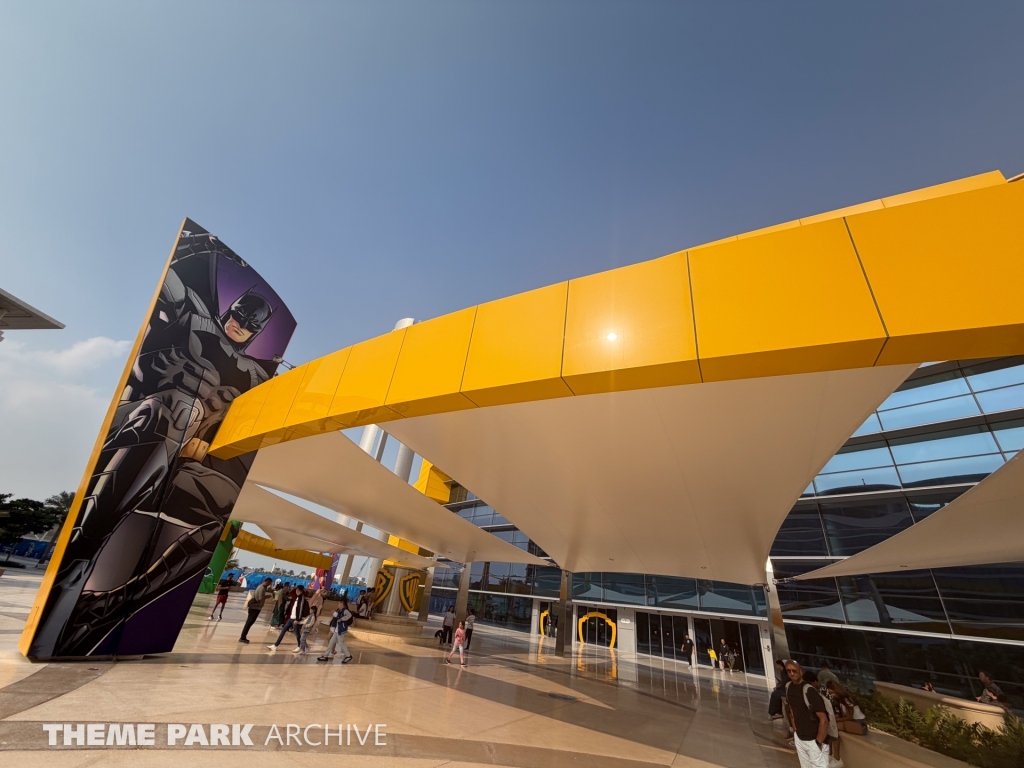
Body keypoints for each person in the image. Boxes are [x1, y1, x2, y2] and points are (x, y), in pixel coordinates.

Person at [784, 660, 831, 768]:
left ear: (800, 671)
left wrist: (818, 743)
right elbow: (792, 710)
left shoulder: (809, 690)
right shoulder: (788, 687)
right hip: (800, 738)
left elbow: (823, 720)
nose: (792, 673)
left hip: (814, 739)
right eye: (789, 671)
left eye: (794, 671)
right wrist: (796, 731)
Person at [268, 585, 309, 651]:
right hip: (291, 618)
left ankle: (301, 646)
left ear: (298, 590)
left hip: (295, 619)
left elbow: (300, 609)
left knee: (297, 634)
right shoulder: (298, 597)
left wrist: (298, 619)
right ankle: (275, 645)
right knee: (283, 631)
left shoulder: (301, 599)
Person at [318, 597, 354, 664]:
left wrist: (341, 619)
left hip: (340, 630)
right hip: (337, 630)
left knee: (341, 643)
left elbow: (349, 615)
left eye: (339, 603)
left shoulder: (345, 610)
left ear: (342, 603)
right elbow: (338, 616)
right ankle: (326, 655)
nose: (338, 604)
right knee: (331, 642)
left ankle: (348, 656)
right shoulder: (340, 610)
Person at [238, 578, 273, 644]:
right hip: (254, 608)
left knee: (250, 622)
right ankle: (242, 637)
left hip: (256, 607)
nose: (270, 585)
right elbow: (260, 599)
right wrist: (267, 597)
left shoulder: (263, 587)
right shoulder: (261, 588)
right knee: (249, 622)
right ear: (267, 582)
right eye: (269, 583)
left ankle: (243, 637)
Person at [297, 587, 325, 655]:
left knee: (303, 638)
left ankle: (303, 648)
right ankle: (303, 648)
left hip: (309, 623)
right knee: (302, 638)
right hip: (309, 620)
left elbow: (317, 608)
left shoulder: (318, 603)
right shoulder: (314, 604)